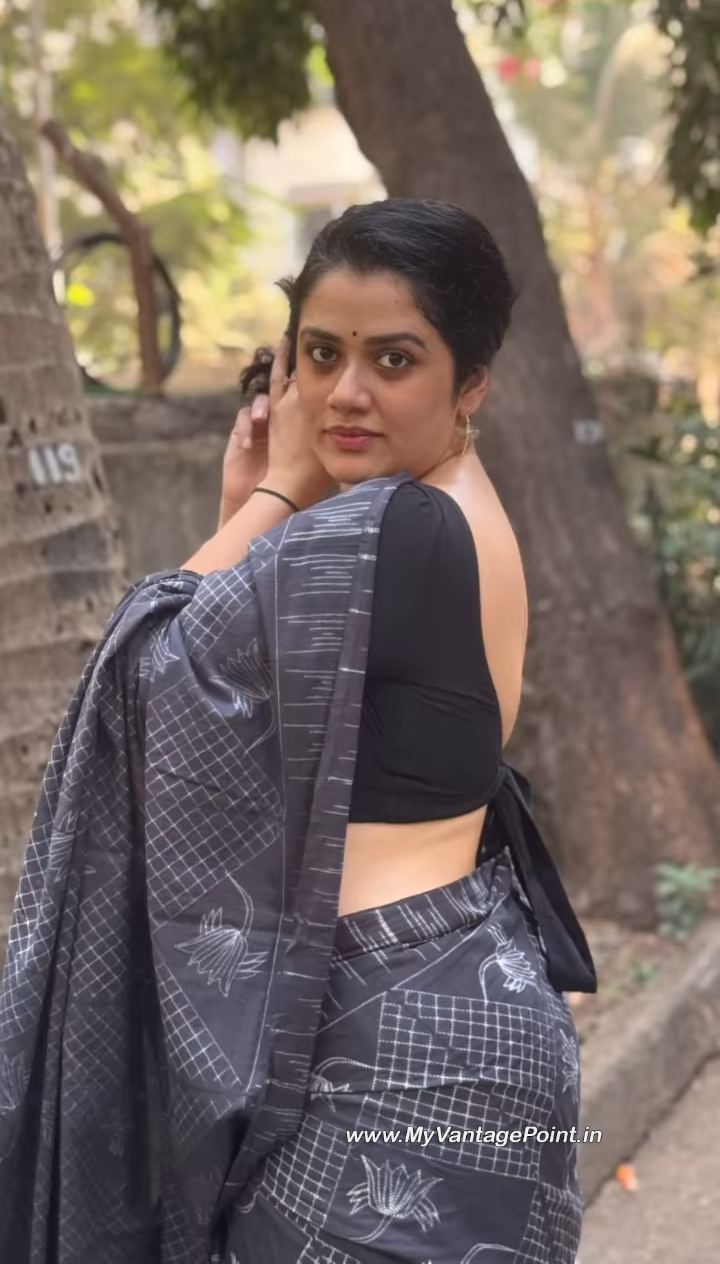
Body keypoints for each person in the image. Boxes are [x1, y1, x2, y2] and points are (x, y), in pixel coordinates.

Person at [0, 199, 596, 1264]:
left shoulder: (389, 529)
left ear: (471, 384)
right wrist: (265, 504)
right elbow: (227, 688)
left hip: (389, 1050)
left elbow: (145, 671)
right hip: (466, 1003)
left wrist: (272, 489)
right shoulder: (454, 509)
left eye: (393, 359)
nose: (346, 392)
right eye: (321, 355)